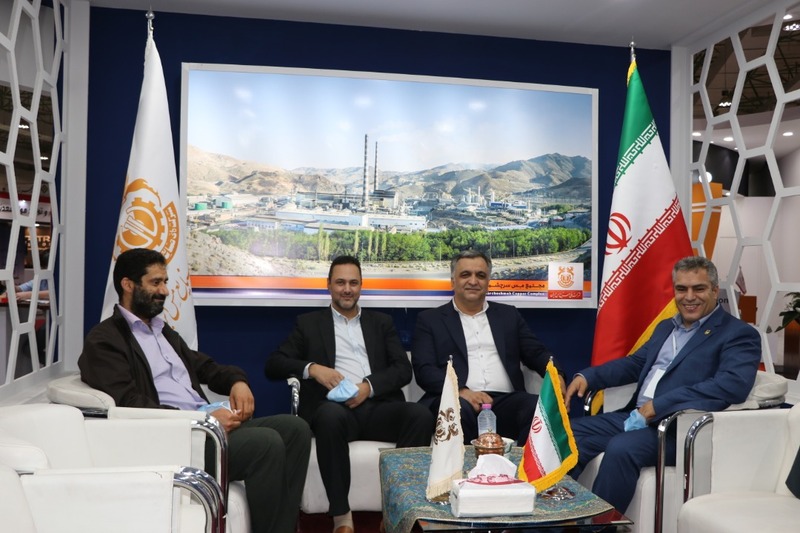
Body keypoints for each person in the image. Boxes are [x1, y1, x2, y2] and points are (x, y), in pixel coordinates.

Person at [78, 248, 311, 533]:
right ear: (128, 285)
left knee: (296, 429)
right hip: (177, 438)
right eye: (155, 282)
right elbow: (129, 403)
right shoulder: (105, 340)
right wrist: (201, 420)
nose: (164, 291)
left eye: (165, 282)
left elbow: (207, 368)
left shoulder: (162, 331)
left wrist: (237, 382)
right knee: (266, 443)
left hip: (204, 427)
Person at [565, 256, 761, 513]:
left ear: (715, 291)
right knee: (566, 434)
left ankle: (599, 527)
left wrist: (660, 405)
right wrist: (588, 377)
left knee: (622, 448)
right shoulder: (666, 327)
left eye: (698, 289)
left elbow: (731, 385)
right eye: (682, 289)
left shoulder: (738, 334)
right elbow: (635, 364)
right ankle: (555, 518)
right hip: (635, 417)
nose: (689, 297)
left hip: (675, 429)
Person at [265, 255, 434, 533]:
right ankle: (342, 518)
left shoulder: (381, 322)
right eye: (340, 282)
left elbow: (403, 370)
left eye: (353, 283)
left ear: (361, 286)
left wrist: (368, 386)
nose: (347, 289)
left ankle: (395, 511)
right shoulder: (309, 323)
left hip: (378, 406)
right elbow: (274, 364)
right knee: (328, 417)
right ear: (329, 285)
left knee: (420, 415)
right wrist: (313, 369)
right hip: (336, 411)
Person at [411, 249, 562, 446]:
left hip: (505, 401)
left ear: (488, 281)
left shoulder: (508, 315)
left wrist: (556, 374)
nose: (473, 281)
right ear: (453, 281)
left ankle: (520, 465)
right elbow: (424, 369)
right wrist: (460, 391)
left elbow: (536, 352)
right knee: (457, 409)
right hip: (457, 399)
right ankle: (467, 467)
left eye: (480, 275)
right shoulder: (430, 320)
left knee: (536, 407)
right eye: (465, 275)